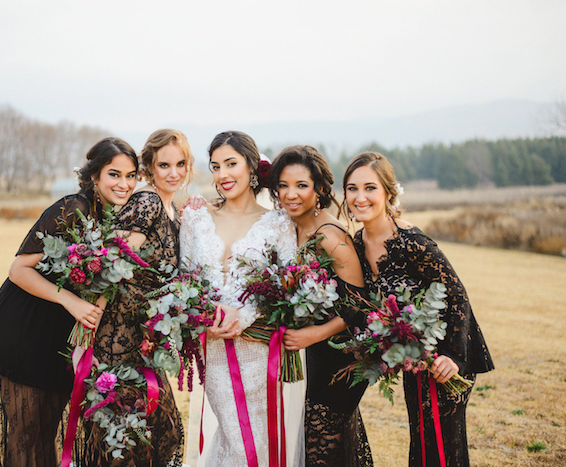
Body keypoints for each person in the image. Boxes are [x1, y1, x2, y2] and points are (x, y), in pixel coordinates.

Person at [0, 137, 139, 467]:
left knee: (47, 434)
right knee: (24, 433)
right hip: (25, 325)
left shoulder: (113, 218)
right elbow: (18, 269)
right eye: (114, 174)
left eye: (131, 175)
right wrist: (72, 302)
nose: (124, 184)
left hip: (60, 337)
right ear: (94, 176)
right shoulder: (73, 208)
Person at [343, 151, 494, 467]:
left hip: (445, 358)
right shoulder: (357, 244)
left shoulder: (410, 240)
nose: (360, 197)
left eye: (369, 188)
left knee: (442, 447)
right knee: (423, 442)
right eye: (352, 188)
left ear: (388, 192)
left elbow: (456, 294)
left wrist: (453, 356)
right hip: (415, 360)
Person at [180, 131, 305, 467]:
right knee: (235, 436)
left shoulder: (278, 223)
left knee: (257, 442)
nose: (222, 174)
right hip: (214, 349)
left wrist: (243, 315)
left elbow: (288, 286)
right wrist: (206, 315)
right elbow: (184, 279)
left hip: (260, 351)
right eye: (216, 166)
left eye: (231, 164)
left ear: (252, 166)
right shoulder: (196, 218)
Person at [83, 129, 193, 467]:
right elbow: (110, 264)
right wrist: (89, 325)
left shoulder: (174, 211)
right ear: (149, 169)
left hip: (144, 342)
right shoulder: (147, 202)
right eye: (164, 165)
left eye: (181, 164)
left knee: (162, 433)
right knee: (125, 440)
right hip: (117, 339)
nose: (173, 173)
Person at [270, 145, 374, 466]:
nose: (291, 194)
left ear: (319, 189)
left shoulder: (330, 236)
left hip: (338, 359)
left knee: (321, 452)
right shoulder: (290, 226)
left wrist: (311, 336)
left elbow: (361, 306)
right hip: (309, 358)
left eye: (301, 185)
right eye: (283, 185)